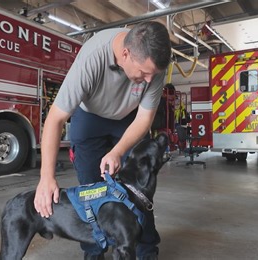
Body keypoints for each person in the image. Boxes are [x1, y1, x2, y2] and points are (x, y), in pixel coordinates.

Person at [34, 21, 171, 260]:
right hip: (90, 117)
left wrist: (118, 151)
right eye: (144, 73)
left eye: (154, 74)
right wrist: (46, 177)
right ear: (125, 54)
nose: (150, 80)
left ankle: (146, 251)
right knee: (90, 191)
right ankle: (94, 251)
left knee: (138, 190)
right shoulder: (92, 58)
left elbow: (144, 119)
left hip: (129, 119)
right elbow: (55, 119)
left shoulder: (153, 65)